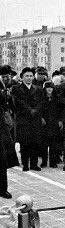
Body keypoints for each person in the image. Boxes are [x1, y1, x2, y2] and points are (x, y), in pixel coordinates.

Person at [12, 67, 44, 171]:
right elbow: (18, 102)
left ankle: (34, 164)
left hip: (35, 119)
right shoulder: (17, 88)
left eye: (31, 76)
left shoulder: (38, 89)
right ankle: (25, 164)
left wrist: (36, 110)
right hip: (23, 119)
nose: (29, 78)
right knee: (24, 143)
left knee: (35, 143)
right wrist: (30, 110)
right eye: (27, 76)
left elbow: (41, 102)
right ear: (22, 77)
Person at [0, 66, 19, 198]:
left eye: (8, 75)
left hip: (2, 127)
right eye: (4, 75)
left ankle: (2, 189)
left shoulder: (12, 87)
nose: (7, 77)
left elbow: (11, 105)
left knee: (2, 159)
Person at [40, 82, 62, 168]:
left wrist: (60, 120)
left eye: (51, 88)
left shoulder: (57, 99)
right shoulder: (41, 98)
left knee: (54, 144)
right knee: (44, 145)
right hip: (44, 124)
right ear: (44, 89)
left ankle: (53, 162)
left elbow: (60, 111)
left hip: (54, 124)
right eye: (47, 88)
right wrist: (41, 118)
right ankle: (44, 162)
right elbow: (39, 110)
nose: (49, 89)